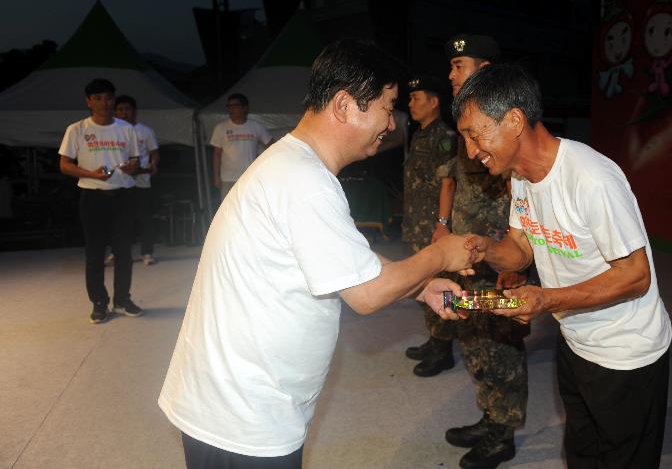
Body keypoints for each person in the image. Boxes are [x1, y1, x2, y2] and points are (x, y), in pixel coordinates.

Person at [158, 39, 475, 469]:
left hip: (238, 405)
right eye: (387, 105)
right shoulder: (304, 180)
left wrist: (419, 288)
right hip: (243, 420)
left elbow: (346, 261)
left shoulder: (294, 166)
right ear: (346, 105)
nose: (391, 122)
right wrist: (441, 255)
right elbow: (366, 294)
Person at [456, 64, 672, 469]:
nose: (471, 150)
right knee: (582, 453)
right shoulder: (519, 176)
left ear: (515, 120)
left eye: (475, 133)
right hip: (575, 341)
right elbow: (521, 247)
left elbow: (636, 275)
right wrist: (483, 248)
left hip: (626, 353)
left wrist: (545, 299)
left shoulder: (592, 179)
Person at [432, 34, 529, 469]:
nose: (451, 74)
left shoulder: (502, 121)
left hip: (498, 254)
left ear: (485, 68)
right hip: (466, 255)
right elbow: (455, 176)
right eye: (450, 66)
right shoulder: (464, 119)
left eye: (460, 64)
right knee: (472, 334)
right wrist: (443, 227)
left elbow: (521, 188)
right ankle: (488, 413)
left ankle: (503, 430)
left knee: (501, 341)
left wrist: (518, 262)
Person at [58, 78, 142, 323]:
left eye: (108, 97)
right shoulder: (77, 130)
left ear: (113, 99)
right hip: (92, 197)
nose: (104, 103)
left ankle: (123, 299)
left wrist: (131, 167)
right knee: (95, 253)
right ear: (88, 102)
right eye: (98, 98)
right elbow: (64, 165)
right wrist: (91, 174)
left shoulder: (127, 129)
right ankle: (99, 302)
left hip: (123, 196)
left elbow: (135, 163)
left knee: (124, 252)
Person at [401, 75, 458, 376]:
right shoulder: (420, 134)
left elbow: (448, 183)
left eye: (416, 98)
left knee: (441, 285)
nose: (410, 104)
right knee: (423, 286)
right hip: (417, 225)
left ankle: (444, 349)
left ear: (434, 102)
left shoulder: (444, 136)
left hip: (433, 229)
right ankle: (434, 339)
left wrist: (442, 225)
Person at [114, 95, 160, 265]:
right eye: (119, 109)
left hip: (141, 179)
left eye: (127, 109)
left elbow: (154, 152)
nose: (123, 112)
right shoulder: (114, 130)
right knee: (120, 219)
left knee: (144, 217)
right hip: (121, 180)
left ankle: (147, 252)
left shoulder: (145, 131)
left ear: (134, 111)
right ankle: (117, 252)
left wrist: (153, 164)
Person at [210, 93, 273, 201]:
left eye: (234, 105)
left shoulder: (255, 126)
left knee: (250, 208)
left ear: (245, 108)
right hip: (228, 178)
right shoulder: (221, 128)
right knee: (228, 211)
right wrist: (216, 176)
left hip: (249, 178)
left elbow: (272, 145)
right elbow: (217, 154)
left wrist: (265, 165)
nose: (231, 109)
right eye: (229, 106)